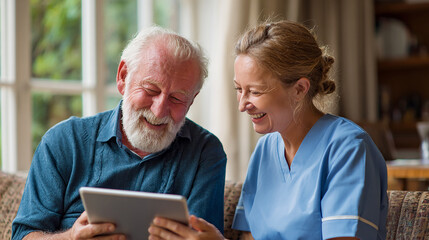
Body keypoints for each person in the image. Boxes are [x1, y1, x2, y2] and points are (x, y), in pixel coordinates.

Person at [148, 20, 388, 240]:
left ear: (299, 89)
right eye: (238, 89)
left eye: (255, 91)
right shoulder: (265, 151)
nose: (242, 105)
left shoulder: (349, 150)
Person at [12, 26, 227, 240]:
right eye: (151, 90)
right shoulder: (64, 141)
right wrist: (69, 238)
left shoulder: (205, 152)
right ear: (123, 77)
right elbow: (23, 235)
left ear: (192, 100)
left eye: (177, 99)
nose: (159, 110)